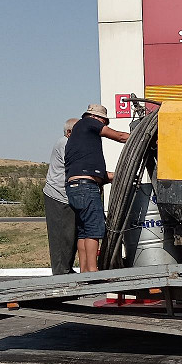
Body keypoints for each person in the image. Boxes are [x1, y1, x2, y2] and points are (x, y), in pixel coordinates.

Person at [64, 104, 130, 272]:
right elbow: (120, 136)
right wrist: (145, 137)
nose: (104, 124)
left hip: (74, 187)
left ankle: (85, 272)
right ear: (95, 118)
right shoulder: (88, 123)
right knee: (94, 229)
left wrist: (122, 174)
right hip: (87, 188)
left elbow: (97, 174)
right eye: (103, 121)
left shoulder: (76, 140)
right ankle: (94, 271)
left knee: (84, 231)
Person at [42, 118, 79, 274]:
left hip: (66, 196)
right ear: (69, 132)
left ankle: (66, 270)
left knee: (70, 236)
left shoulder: (70, 143)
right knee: (61, 237)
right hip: (58, 196)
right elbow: (77, 167)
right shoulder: (64, 143)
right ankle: (61, 274)